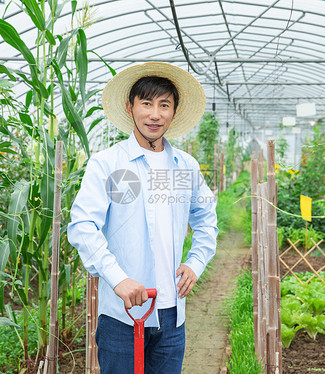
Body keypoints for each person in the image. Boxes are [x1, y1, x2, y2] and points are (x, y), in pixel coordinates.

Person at [67, 61, 218, 373]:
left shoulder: (185, 166)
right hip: (123, 315)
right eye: (146, 103)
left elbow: (206, 218)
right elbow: (83, 226)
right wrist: (118, 279)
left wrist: (196, 262)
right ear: (130, 106)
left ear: (174, 112)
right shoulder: (107, 164)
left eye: (164, 105)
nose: (155, 114)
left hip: (171, 315)